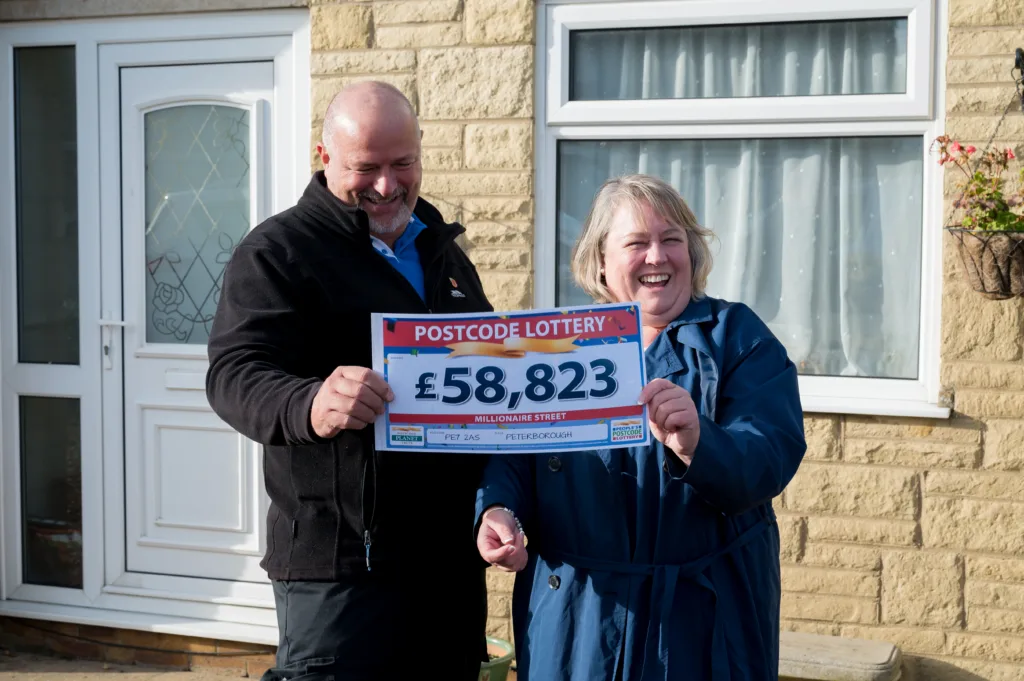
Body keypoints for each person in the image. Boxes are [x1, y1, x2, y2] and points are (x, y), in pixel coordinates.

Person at [206, 81, 493, 681]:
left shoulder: (441, 250)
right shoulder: (278, 252)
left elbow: (483, 372)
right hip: (338, 566)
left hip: (445, 563)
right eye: (366, 167)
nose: (387, 186)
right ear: (324, 156)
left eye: (402, 164)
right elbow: (234, 373)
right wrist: (309, 403)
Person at [474, 174, 807, 680]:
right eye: (636, 243)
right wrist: (497, 509)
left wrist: (699, 443)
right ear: (601, 262)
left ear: (691, 253)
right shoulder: (555, 348)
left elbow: (770, 455)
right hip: (577, 618)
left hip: (701, 622)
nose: (657, 257)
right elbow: (514, 454)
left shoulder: (738, 337)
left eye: (671, 239)